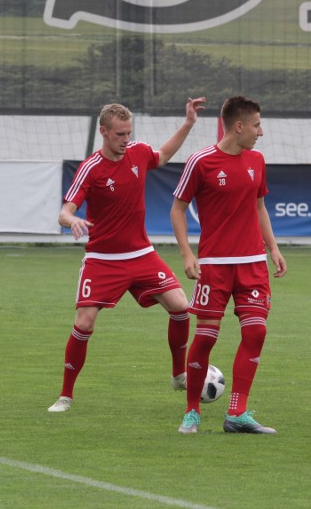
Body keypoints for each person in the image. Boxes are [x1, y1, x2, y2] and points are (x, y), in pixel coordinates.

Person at [47, 97, 206, 413]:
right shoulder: (91, 168)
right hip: (102, 260)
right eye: (120, 134)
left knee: (180, 307)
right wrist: (73, 219)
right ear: (104, 132)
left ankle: (178, 375)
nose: (126, 140)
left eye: (129, 133)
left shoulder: (138, 153)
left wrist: (187, 123)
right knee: (85, 323)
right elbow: (64, 212)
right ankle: (65, 395)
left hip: (142, 254)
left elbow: (162, 154)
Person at [170, 95, 287, 434]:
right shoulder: (201, 161)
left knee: (257, 331)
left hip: (252, 263)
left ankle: (237, 413)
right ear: (239, 126)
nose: (260, 132)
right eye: (256, 125)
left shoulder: (257, 160)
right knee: (206, 338)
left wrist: (273, 248)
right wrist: (187, 255)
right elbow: (178, 209)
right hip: (215, 265)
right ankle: (192, 411)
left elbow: (260, 206)